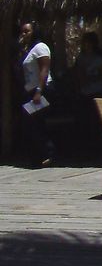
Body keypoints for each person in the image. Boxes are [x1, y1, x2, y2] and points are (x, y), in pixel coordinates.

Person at [17, 21, 54, 167]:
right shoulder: (28, 50)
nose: (24, 35)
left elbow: (44, 69)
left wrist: (39, 90)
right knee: (33, 123)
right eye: (22, 32)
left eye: (27, 31)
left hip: (41, 90)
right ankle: (38, 155)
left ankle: (48, 153)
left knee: (37, 122)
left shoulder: (41, 47)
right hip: (30, 90)